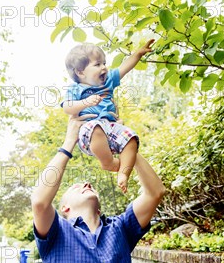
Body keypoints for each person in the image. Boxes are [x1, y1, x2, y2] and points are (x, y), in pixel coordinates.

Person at [31, 116, 166, 263]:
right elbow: (40, 201)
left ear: (99, 205)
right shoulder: (56, 233)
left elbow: (155, 192)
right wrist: (69, 142)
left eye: (87, 185)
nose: (86, 183)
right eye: (76, 187)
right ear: (65, 208)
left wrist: (126, 146)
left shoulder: (120, 228)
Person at [63, 39, 155, 192]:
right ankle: (108, 162)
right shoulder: (76, 88)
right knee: (96, 127)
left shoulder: (109, 81)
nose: (104, 67)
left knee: (131, 137)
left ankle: (123, 173)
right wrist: (86, 102)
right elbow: (67, 108)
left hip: (112, 126)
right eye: (97, 64)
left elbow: (124, 67)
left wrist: (138, 53)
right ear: (80, 72)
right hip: (90, 130)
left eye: (104, 63)